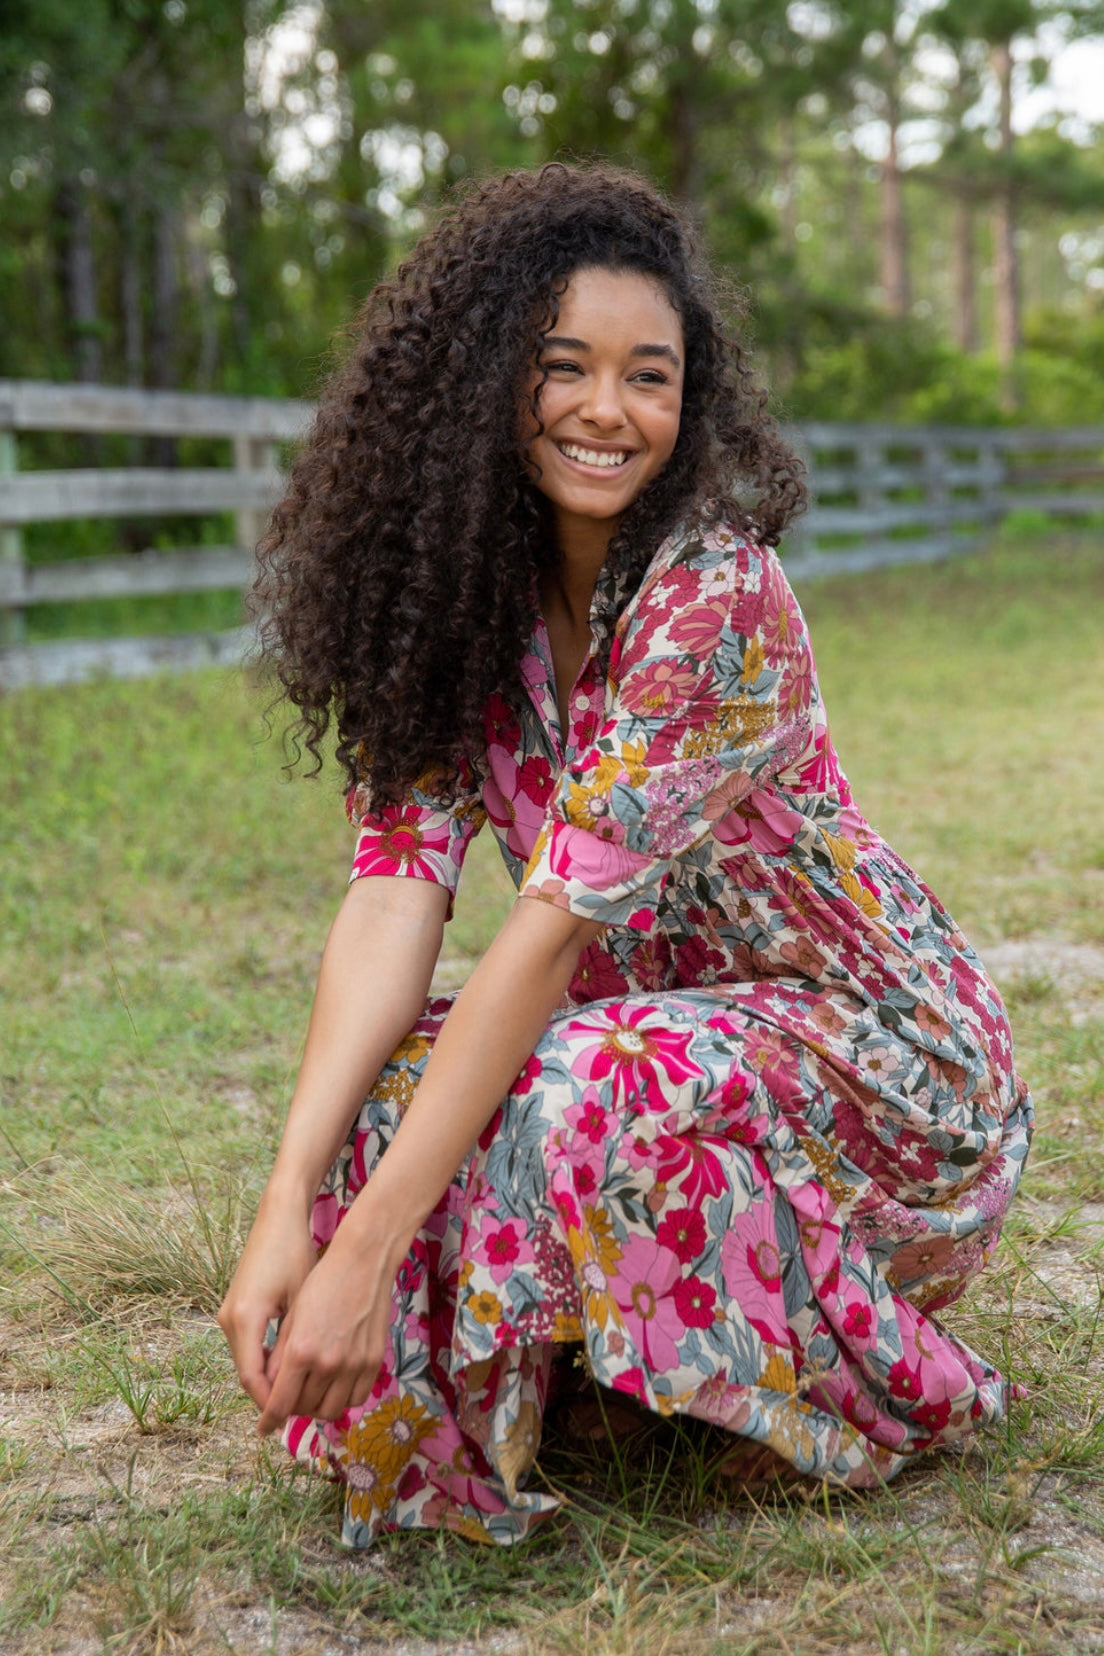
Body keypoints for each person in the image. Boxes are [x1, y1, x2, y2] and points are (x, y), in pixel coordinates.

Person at [217, 162, 1032, 1548]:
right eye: (564, 367)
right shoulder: (463, 600)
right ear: (482, 382)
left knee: (577, 1077)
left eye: (649, 376)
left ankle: (878, 1387)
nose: (609, 410)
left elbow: (547, 938)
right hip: (666, 1040)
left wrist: (364, 1254)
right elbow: (392, 888)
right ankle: (547, 1412)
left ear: (690, 400)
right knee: (396, 1084)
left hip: (881, 1066)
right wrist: (292, 1201)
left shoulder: (714, 593)